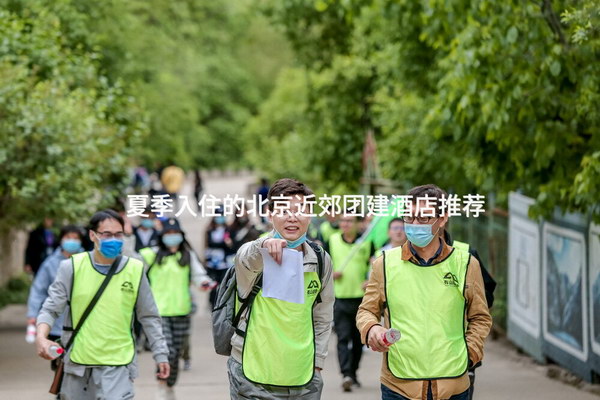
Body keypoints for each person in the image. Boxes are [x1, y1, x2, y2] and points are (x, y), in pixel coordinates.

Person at [356, 184, 492, 400]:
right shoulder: (384, 263)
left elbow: (480, 317)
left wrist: (470, 354)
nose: (415, 224)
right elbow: (366, 311)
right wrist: (371, 328)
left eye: (424, 218)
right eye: (409, 218)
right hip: (399, 385)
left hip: (453, 385)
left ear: (443, 218)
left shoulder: (466, 263)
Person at [35, 209, 170, 400]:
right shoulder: (72, 267)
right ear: (93, 235)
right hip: (78, 365)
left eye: (118, 234)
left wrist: (161, 353)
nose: (113, 239)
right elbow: (50, 308)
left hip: (119, 364)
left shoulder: (134, 269)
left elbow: (149, 316)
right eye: (107, 234)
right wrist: (41, 337)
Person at [228, 178, 334, 399]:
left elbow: (322, 316)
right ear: (270, 214)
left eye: (301, 210)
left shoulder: (321, 260)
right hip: (252, 372)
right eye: (284, 210)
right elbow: (247, 258)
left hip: (303, 376)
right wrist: (264, 246)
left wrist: (318, 364)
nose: (293, 217)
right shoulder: (253, 253)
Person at [140, 218, 213, 400]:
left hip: (182, 310)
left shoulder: (187, 255)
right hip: (159, 312)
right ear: (162, 236)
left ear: (181, 236)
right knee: (167, 351)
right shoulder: (152, 254)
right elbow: (132, 264)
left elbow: (198, 275)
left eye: (175, 234)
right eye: (168, 234)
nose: (172, 237)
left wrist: (204, 283)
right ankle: (162, 384)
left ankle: (170, 384)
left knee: (177, 352)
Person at [442, 229, 496, 400]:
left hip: (460, 347)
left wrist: (470, 350)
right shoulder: (402, 258)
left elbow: (485, 296)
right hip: (419, 353)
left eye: (425, 217)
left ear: (442, 219)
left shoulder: (465, 254)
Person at [27, 225, 85, 371]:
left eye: (75, 238)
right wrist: (33, 314)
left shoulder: (88, 261)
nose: (72, 241)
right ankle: (61, 392)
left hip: (83, 322)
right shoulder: (50, 263)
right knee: (59, 365)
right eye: (68, 238)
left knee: (81, 363)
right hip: (57, 325)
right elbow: (38, 289)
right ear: (61, 240)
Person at [328, 215, 374, 392]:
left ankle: (353, 372)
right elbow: (323, 265)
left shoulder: (366, 243)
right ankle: (346, 374)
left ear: (358, 224)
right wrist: (331, 274)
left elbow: (374, 265)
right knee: (342, 337)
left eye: (349, 221)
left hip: (361, 300)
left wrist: (368, 279)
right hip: (339, 298)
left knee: (358, 340)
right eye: (343, 221)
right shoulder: (331, 240)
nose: (345, 224)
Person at [205, 213, 234, 307]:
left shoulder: (228, 229)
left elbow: (230, 246)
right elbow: (208, 244)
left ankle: (221, 305)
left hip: (224, 264)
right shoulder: (210, 229)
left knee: (224, 286)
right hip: (212, 263)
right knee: (213, 286)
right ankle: (212, 305)